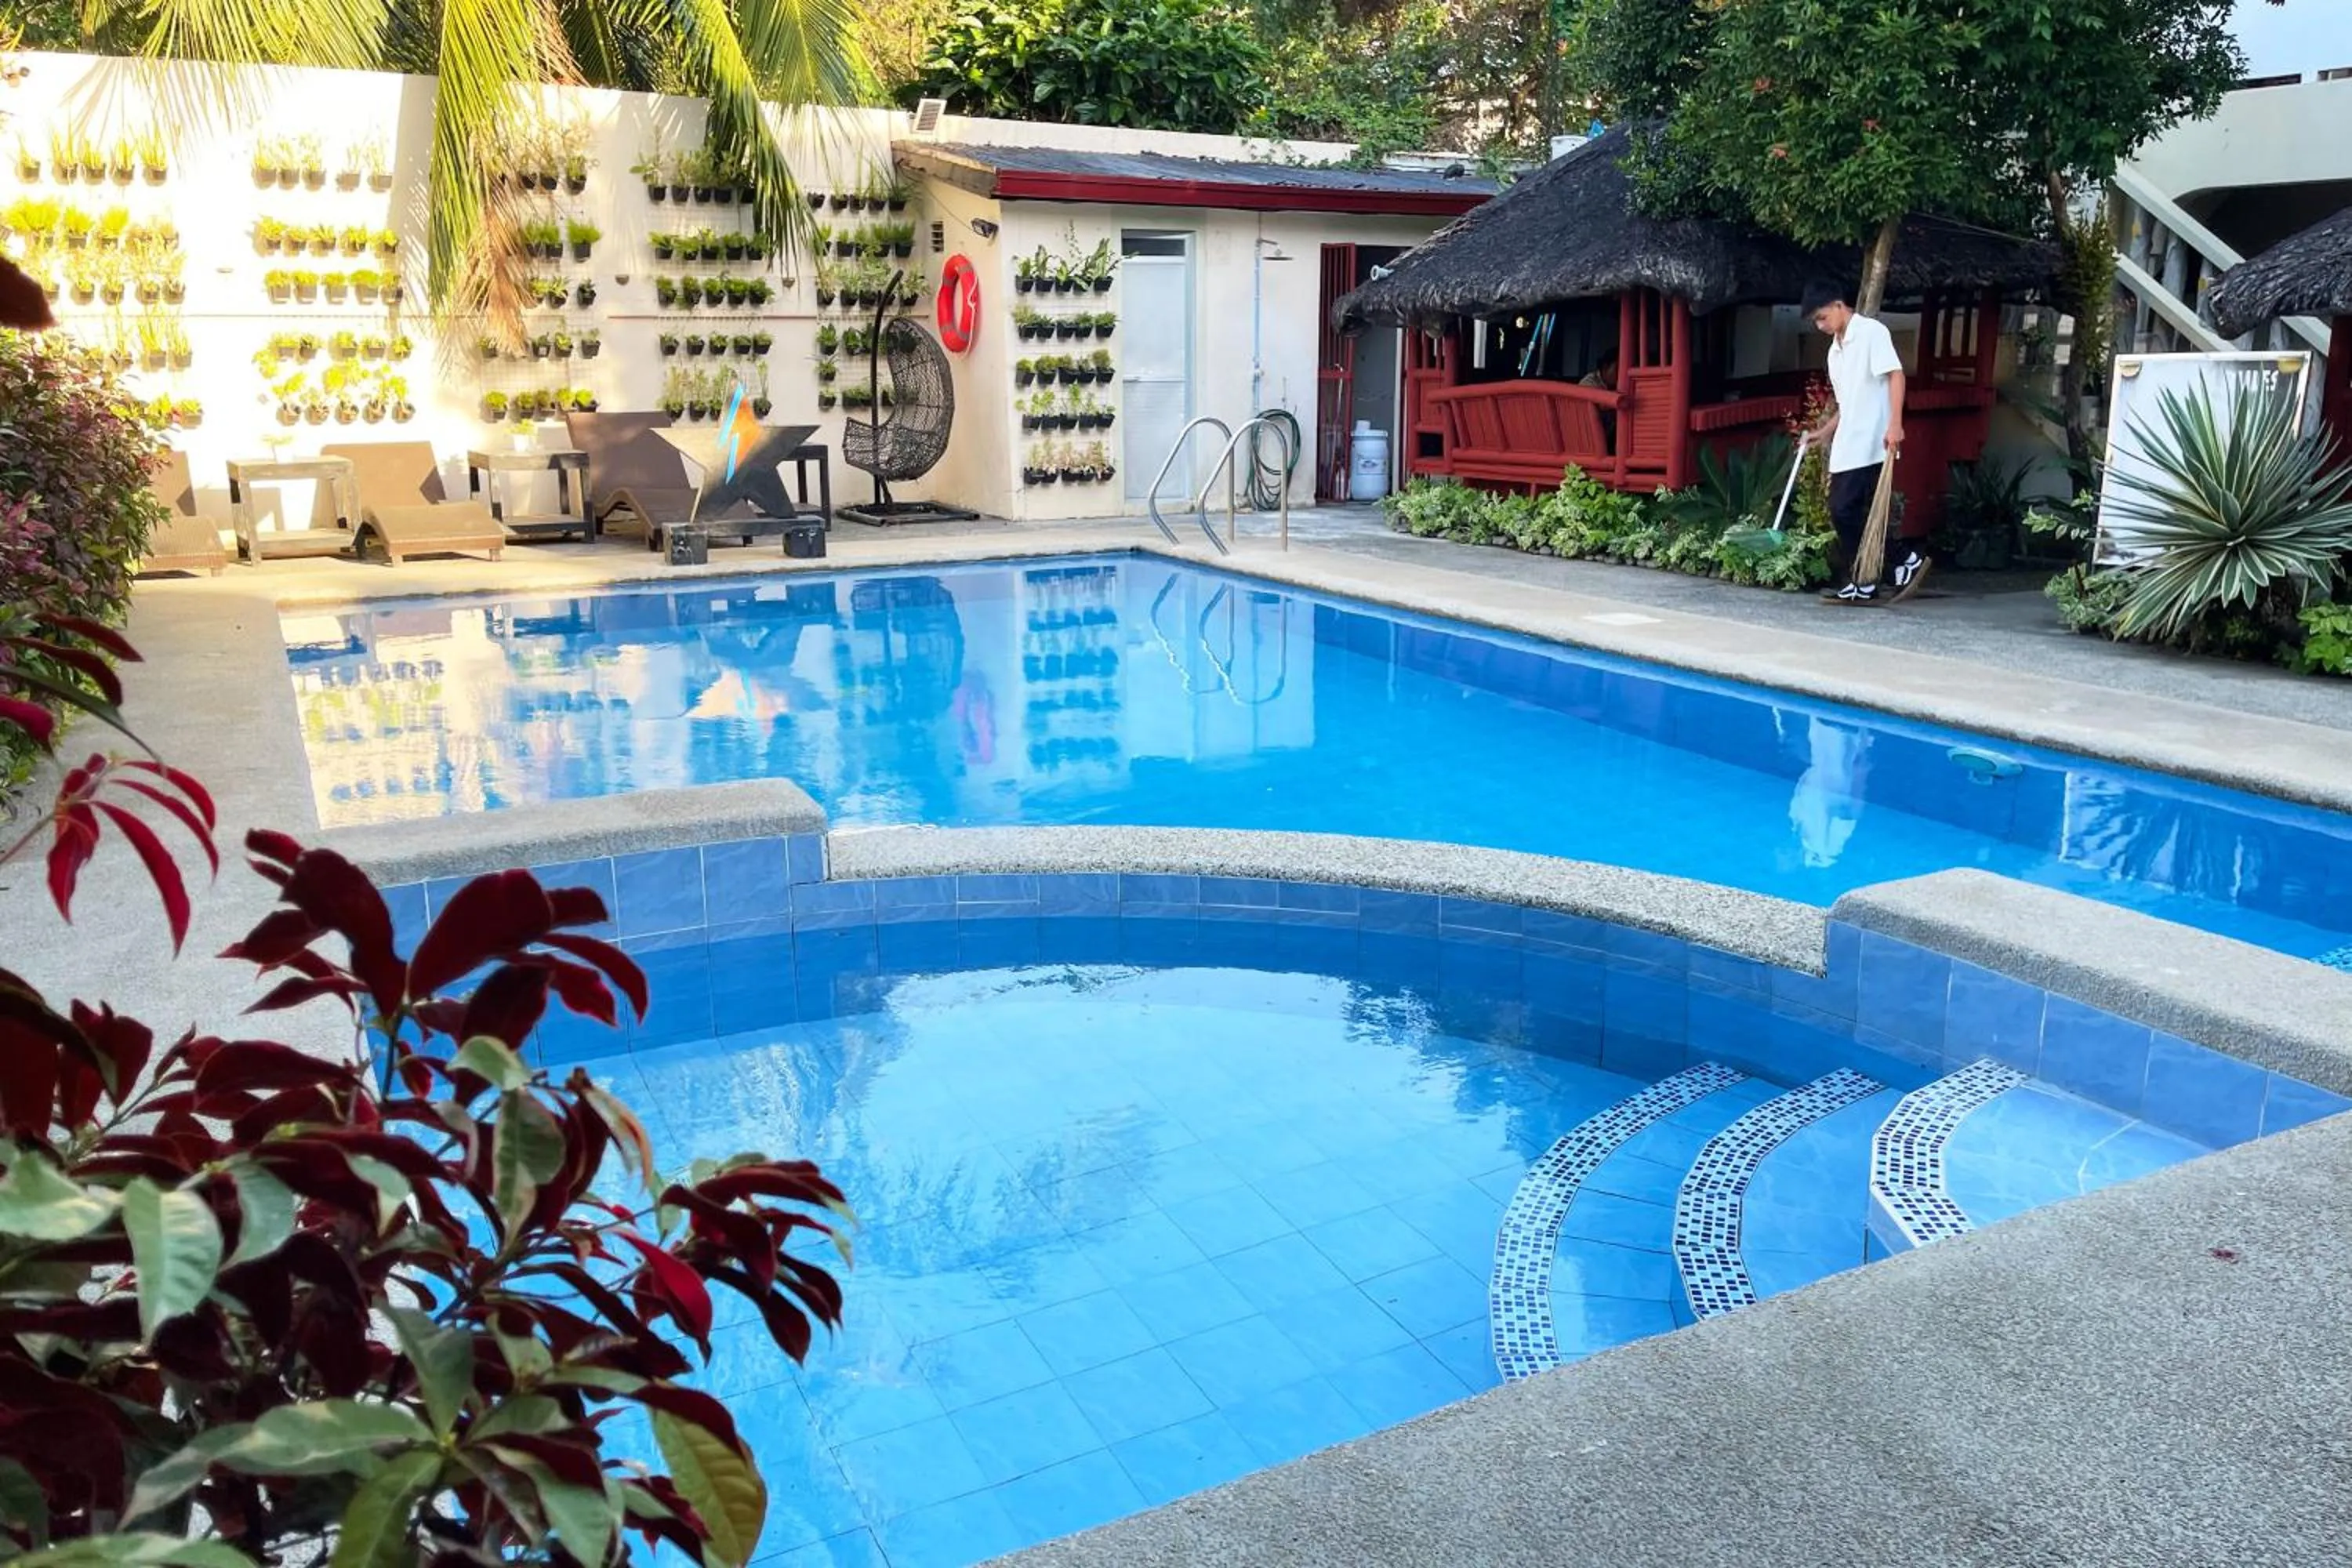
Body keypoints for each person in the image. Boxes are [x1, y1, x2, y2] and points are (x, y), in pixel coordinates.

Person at [1800, 281, 1927, 606]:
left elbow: (1896, 376)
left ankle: (1895, 563)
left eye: (1822, 317)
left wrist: (1895, 424)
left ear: (1838, 305)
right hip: (1848, 443)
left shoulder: (1871, 333)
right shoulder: (1834, 352)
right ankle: (1873, 575)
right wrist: (1824, 432)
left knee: (1845, 509)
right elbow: (1847, 403)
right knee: (1845, 512)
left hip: (1873, 439)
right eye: (1816, 321)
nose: (1820, 326)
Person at [1578, 350, 1619, 450]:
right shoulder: (1589, 382)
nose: (1621, 374)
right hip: (1587, 442)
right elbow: (1602, 403)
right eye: (1617, 369)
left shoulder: (1613, 386)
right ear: (1605, 368)